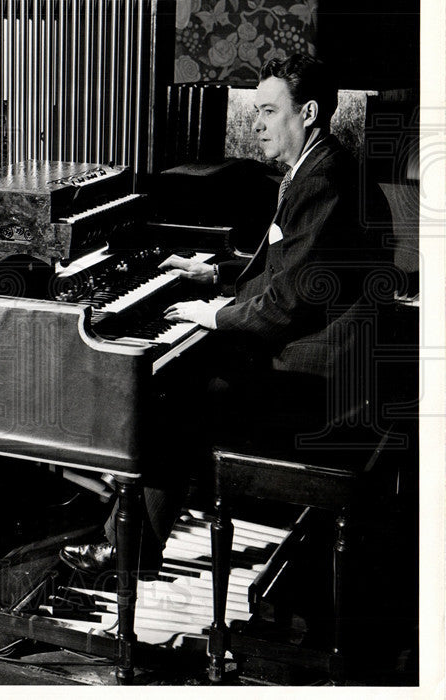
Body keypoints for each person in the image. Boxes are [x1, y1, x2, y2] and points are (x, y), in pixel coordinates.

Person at [61, 52, 393, 577]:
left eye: (267, 110)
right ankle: (133, 529)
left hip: (320, 383)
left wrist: (212, 316)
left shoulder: (322, 180)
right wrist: (212, 279)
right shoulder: (319, 167)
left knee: (176, 395)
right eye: (255, 110)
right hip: (324, 364)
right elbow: (290, 273)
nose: (256, 123)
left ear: (307, 113)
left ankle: (126, 550)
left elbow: (286, 304)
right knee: (184, 378)